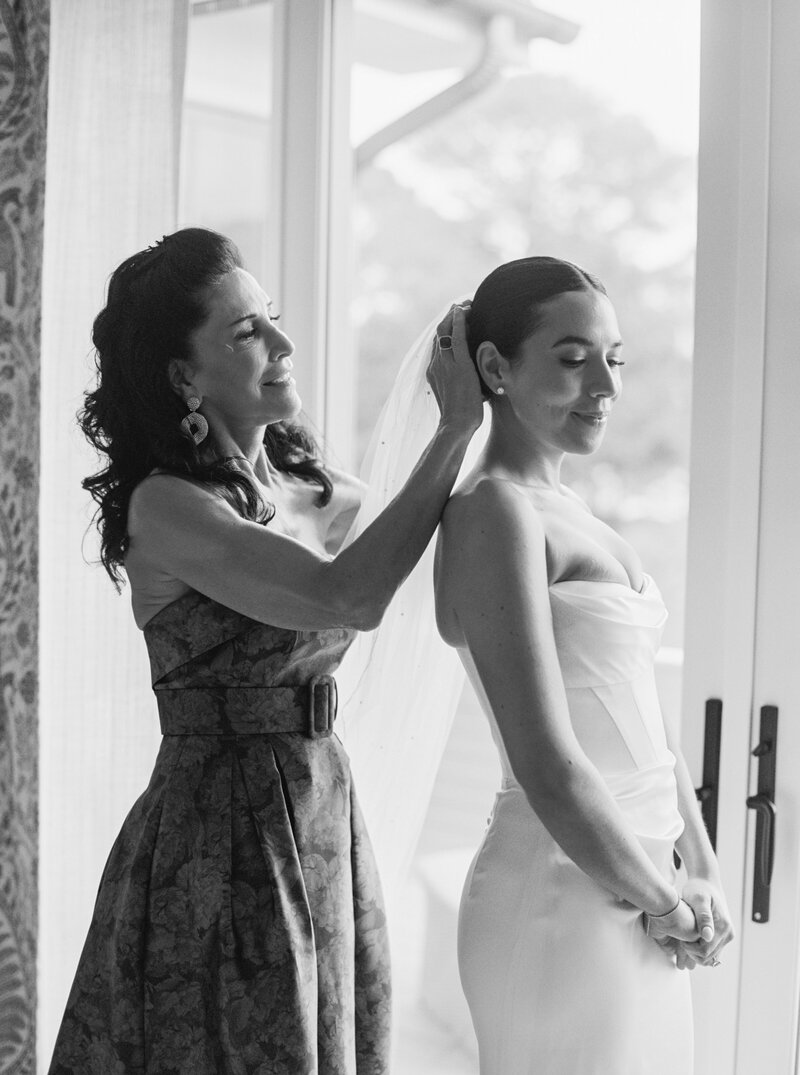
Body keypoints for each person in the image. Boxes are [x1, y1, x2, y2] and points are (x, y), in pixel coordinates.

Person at [48, 227, 482, 1075]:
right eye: (247, 331)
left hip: (321, 808)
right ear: (184, 376)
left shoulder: (309, 490)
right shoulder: (168, 507)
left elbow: (419, 529)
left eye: (273, 318)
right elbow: (348, 593)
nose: (282, 344)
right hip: (217, 842)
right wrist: (454, 427)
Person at [432, 257, 734, 1074]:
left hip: (640, 882)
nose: (604, 384)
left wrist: (697, 865)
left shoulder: (573, 510)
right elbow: (547, 761)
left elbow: (647, 718)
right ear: (495, 367)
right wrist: (665, 898)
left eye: (615, 358)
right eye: (573, 359)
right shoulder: (495, 511)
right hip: (560, 893)